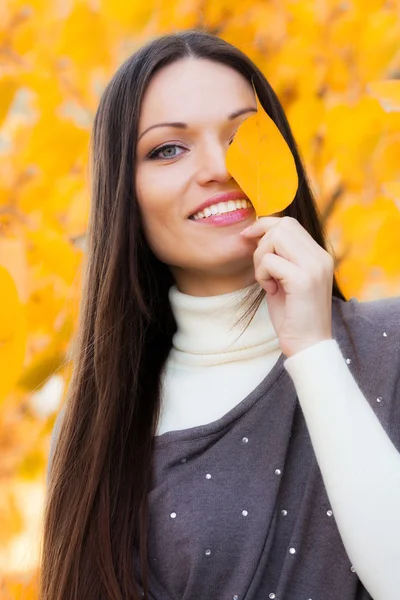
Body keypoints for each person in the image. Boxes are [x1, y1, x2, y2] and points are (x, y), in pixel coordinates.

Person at [41, 30, 400, 600]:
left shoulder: (393, 344)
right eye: (168, 149)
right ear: (123, 196)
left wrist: (312, 350)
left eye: (243, 136)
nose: (220, 167)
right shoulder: (97, 427)